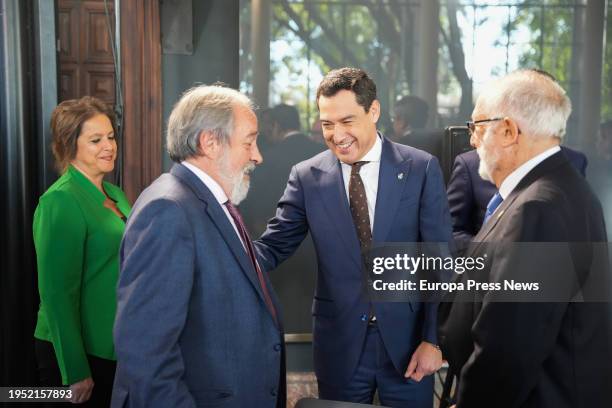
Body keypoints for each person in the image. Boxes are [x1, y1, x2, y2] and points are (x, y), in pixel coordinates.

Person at [255, 68, 452, 407]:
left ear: (373, 111)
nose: (336, 135)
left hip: (409, 344)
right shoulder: (307, 176)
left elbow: (440, 261)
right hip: (340, 344)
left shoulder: (421, 168)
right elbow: (273, 246)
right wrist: (219, 250)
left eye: (347, 121)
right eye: (327, 124)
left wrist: (433, 341)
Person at [438, 70, 612, 408]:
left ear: (508, 130)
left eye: (477, 127)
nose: (472, 140)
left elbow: (509, 345)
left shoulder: (538, 208)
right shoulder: (555, 188)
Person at [112, 85, 285, 408]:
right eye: (249, 141)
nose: (257, 155)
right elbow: (146, 350)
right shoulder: (168, 210)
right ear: (210, 142)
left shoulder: (208, 202)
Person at [33, 96, 131, 406]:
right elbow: (57, 294)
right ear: (69, 144)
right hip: (76, 355)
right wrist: (74, 370)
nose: (109, 146)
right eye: (96, 140)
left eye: (111, 137)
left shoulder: (115, 194)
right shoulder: (60, 201)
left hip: (112, 345)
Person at [447, 146, 587, 250]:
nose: (473, 139)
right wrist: (487, 253)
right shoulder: (470, 163)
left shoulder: (573, 161)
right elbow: (451, 230)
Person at [392, 95, 444, 161]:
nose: (393, 123)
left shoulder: (396, 150)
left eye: (394, 119)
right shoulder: (439, 144)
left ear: (402, 122)